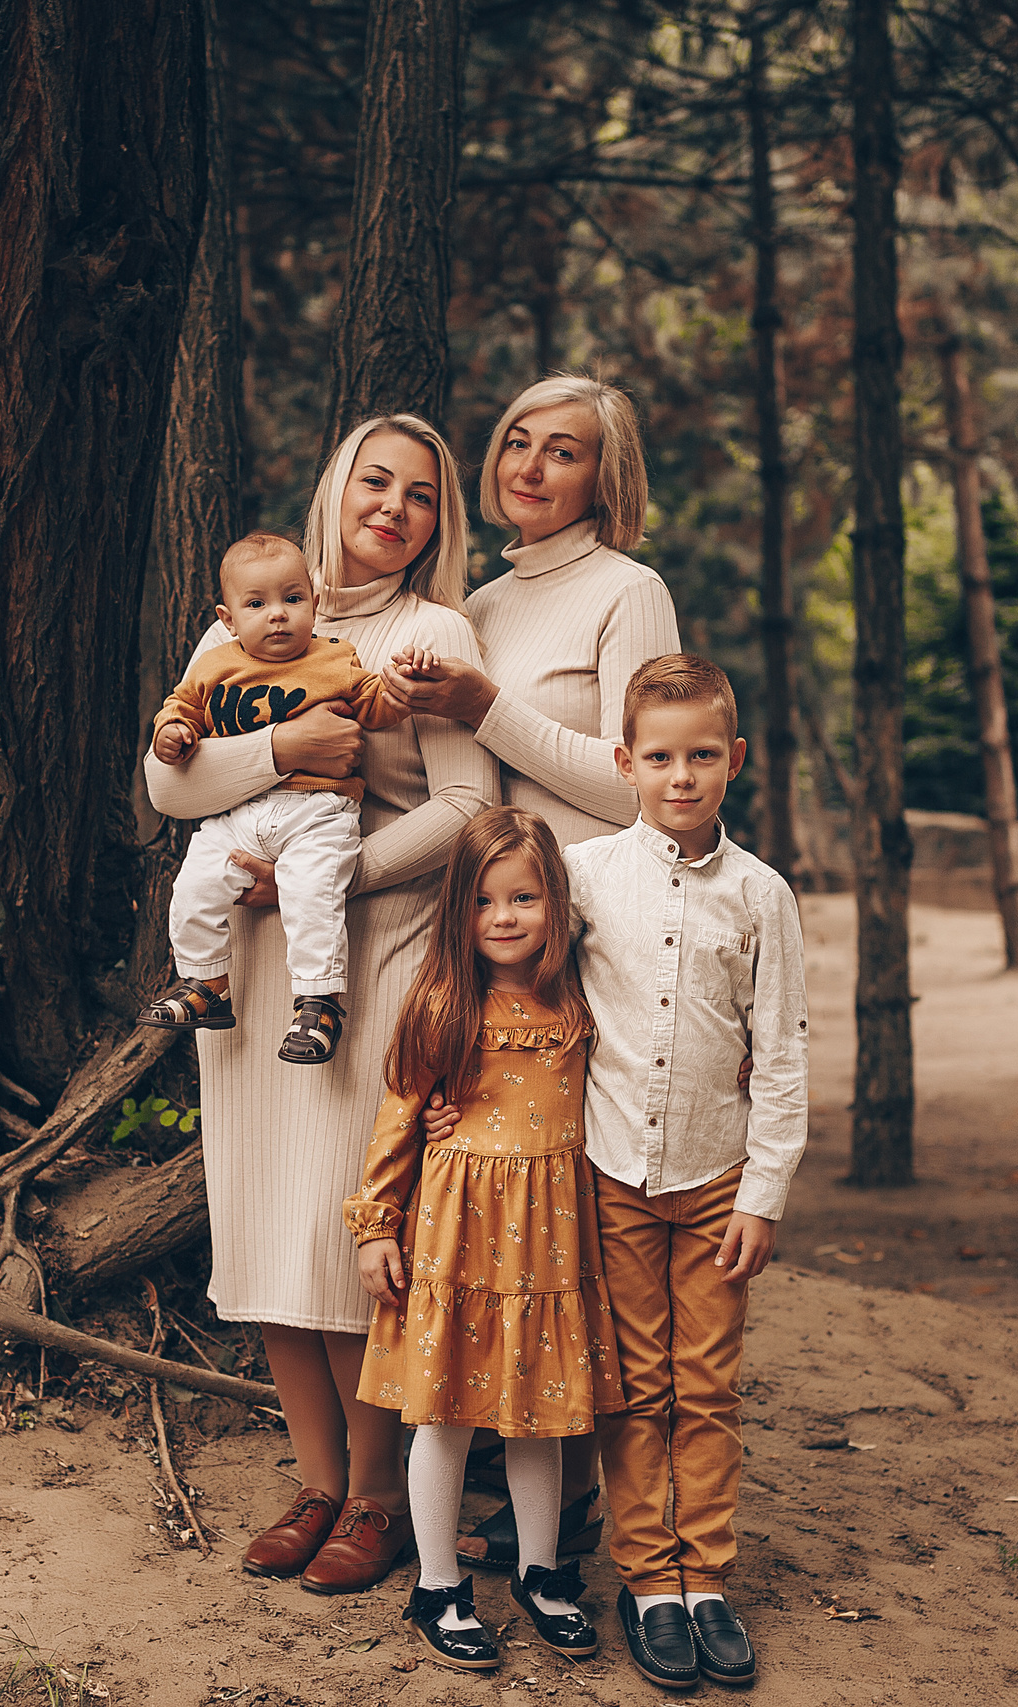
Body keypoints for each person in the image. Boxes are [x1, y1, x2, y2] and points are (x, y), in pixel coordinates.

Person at [141, 415, 495, 1594]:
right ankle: (315, 1481)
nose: (392, 506)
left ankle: (379, 1496)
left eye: (420, 494)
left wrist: (331, 877)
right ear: (335, 490)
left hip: (367, 965)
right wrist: (287, 747)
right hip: (245, 976)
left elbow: (466, 808)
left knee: (349, 1242)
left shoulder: (430, 632)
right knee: (262, 1234)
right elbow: (167, 784)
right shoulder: (241, 618)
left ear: (437, 523)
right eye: (373, 481)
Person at [377, 372, 681, 1576]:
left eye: (564, 450)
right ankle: (502, 1461)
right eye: (516, 441)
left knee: (581, 1217)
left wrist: (487, 705)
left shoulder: (627, 591)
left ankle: (589, 1490)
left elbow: (635, 781)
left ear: (607, 476)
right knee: (503, 1206)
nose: (531, 466)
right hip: (493, 946)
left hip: (595, 938)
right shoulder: (475, 603)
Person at [565, 653, 808, 1691]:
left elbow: (782, 1052)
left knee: (705, 1387)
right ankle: (648, 1582)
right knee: (632, 1387)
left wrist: (764, 1193)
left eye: (702, 755)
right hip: (612, 1172)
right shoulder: (583, 875)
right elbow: (525, 994)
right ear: (625, 762)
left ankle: (704, 1577)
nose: (681, 776)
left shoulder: (761, 894)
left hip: (715, 1180)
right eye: (660, 757)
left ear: (734, 759)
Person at [343, 806, 621, 1672]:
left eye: (524, 898)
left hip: (549, 1244)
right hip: (457, 1236)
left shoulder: (578, 998)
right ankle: (438, 1585)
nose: (504, 917)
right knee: (447, 1413)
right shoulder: (442, 1005)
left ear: (555, 902)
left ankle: (541, 1572)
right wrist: (375, 1225)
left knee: (539, 1414)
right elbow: (398, 1118)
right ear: (458, 909)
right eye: (484, 900)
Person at [141, 532, 414, 1064]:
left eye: (292, 599)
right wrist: (171, 732)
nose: (278, 615)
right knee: (194, 888)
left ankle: (320, 1002)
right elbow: (181, 707)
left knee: (313, 896)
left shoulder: (334, 658)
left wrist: (400, 690)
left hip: (318, 809)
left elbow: (374, 704)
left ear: (314, 602)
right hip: (237, 813)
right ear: (228, 619)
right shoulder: (214, 664)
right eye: (257, 604)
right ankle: (205, 985)